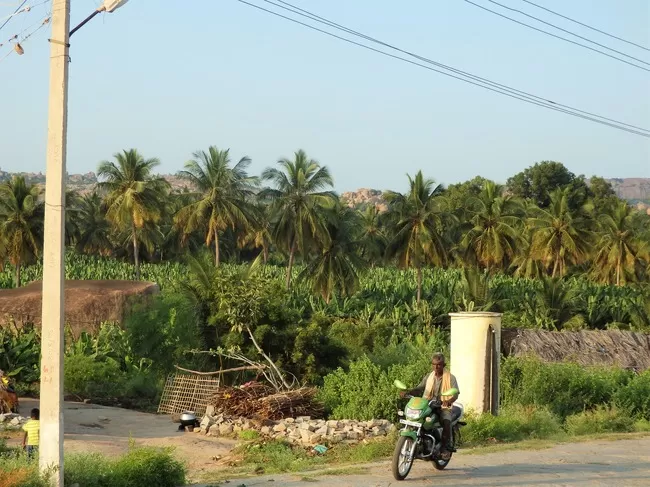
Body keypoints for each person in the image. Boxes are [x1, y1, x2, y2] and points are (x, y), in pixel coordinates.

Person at [400, 352, 459, 455]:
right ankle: (421, 441)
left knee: (446, 420)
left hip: (443, 405)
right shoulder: (429, 376)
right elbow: (419, 388)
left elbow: (455, 393)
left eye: (439, 364)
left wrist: (448, 401)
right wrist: (408, 392)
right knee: (418, 419)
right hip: (428, 404)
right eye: (434, 364)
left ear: (443, 365)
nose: (436, 367)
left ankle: (445, 447)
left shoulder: (450, 377)